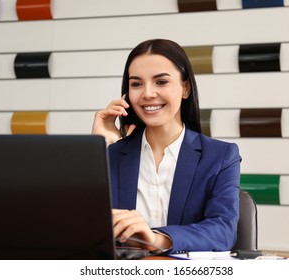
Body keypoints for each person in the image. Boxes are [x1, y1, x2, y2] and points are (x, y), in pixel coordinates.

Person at [92, 39, 241, 254]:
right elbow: (78, 227)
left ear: (185, 88)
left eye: (161, 82)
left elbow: (223, 231)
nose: (148, 93)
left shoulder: (221, 156)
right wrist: (100, 149)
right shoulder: (112, 155)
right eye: (136, 84)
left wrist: (156, 239)